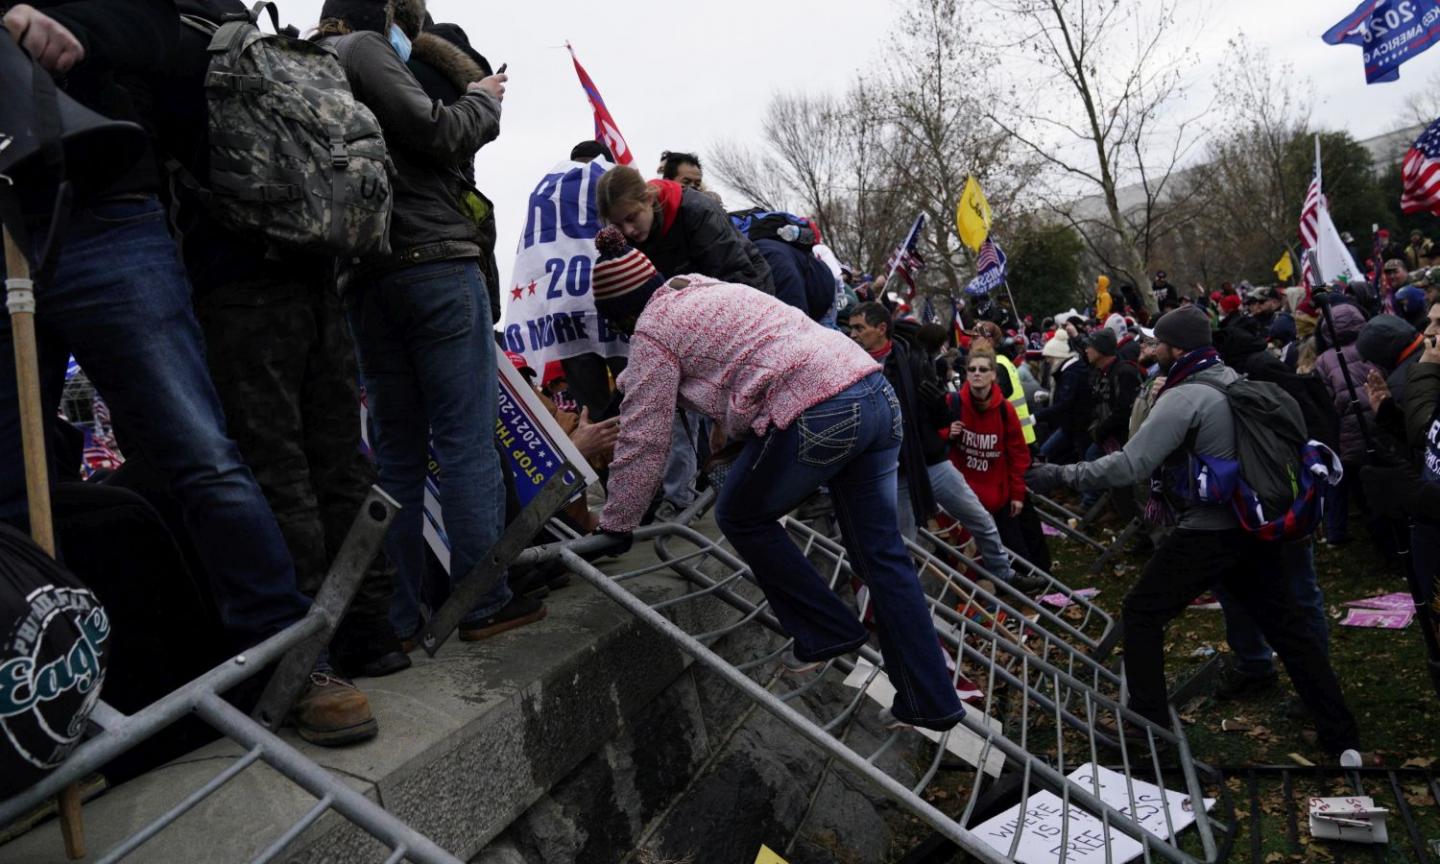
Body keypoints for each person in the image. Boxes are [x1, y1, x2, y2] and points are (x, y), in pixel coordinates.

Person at [0, 1, 378, 744]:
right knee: (11, 491)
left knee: (202, 455)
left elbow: (185, 37)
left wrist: (66, 27)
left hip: (102, 210)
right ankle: (36, 712)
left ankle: (289, 662)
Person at [588, 228, 964, 731]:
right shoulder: (704, 290)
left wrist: (616, 524)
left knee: (741, 513)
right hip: (873, 391)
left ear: (623, 314)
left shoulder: (654, 331)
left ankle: (826, 629)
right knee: (883, 556)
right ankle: (931, 699)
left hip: (820, 407)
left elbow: (644, 437)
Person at [158, 0, 405, 681]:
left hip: (236, 289)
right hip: (316, 270)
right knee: (342, 459)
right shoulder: (255, 38)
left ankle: (306, 654)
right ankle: (374, 630)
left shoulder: (169, 48)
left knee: (277, 469)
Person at [1026, 307, 1361, 756]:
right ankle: (1339, 732)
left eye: (1157, 343)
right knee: (1289, 629)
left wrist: (1060, 476)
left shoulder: (1184, 397)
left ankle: (1149, 730)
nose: (1151, 350)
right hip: (1249, 526)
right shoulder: (1230, 378)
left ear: (1177, 348)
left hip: (1209, 530)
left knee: (1142, 612)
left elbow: (1131, 464)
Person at [316, 0, 545, 646]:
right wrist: (482, 99)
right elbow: (435, 131)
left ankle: (398, 615)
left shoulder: (314, 68)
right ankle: (484, 599)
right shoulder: (364, 50)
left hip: (365, 279)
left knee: (396, 459)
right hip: (435, 266)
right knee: (466, 438)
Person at [596, 163, 774, 517]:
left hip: (743, 305)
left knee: (745, 408)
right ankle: (673, 495)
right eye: (618, 226)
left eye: (632, 218)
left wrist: (723, 406)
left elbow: (738, 280)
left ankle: (758, 492)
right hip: (690, 318)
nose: (629, 231)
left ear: (649, 198)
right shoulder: (636, 239)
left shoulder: (697, 212)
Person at [848, 304, 1027, 589]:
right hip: (894, 470)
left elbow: (942, 417)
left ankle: (1003, 575)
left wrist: (937, 404)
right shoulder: (852, 367)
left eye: (860, 328)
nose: (853, 334)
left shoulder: (912, 360)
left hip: (930, 461)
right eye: (851, 328)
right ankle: (906, 600)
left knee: (980, 519)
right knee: (903, 542)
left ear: (881, 329)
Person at [943, 348, 1044, 565]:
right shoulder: (954, 403)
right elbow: (932, 440)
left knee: (1015, 551)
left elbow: (1018, 455)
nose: (977, 374)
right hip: (964, 497)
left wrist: (1017, 494)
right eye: (972, 369)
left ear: (993, 375)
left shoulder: (1005, 410)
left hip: (998, 497)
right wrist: (947, 433)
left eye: (983, 369)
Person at [1313, 302, 1380, 549]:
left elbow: (1327, 400)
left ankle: (1377, 540)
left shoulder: (1323, 361)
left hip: (1349, 433)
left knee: (1363, 490)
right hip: (1380, 422)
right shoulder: (1372, 346)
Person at [1035, 331, 1091, 463]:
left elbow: (1064, 403)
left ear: (1057, 357)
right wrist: (1049, 397)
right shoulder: (1071, 370)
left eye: (1050, 358)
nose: (1048, 362)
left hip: (1074, 427)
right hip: (1071, 426)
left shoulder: (1071, 374)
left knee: (1045, 452)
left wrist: (1036, 417)